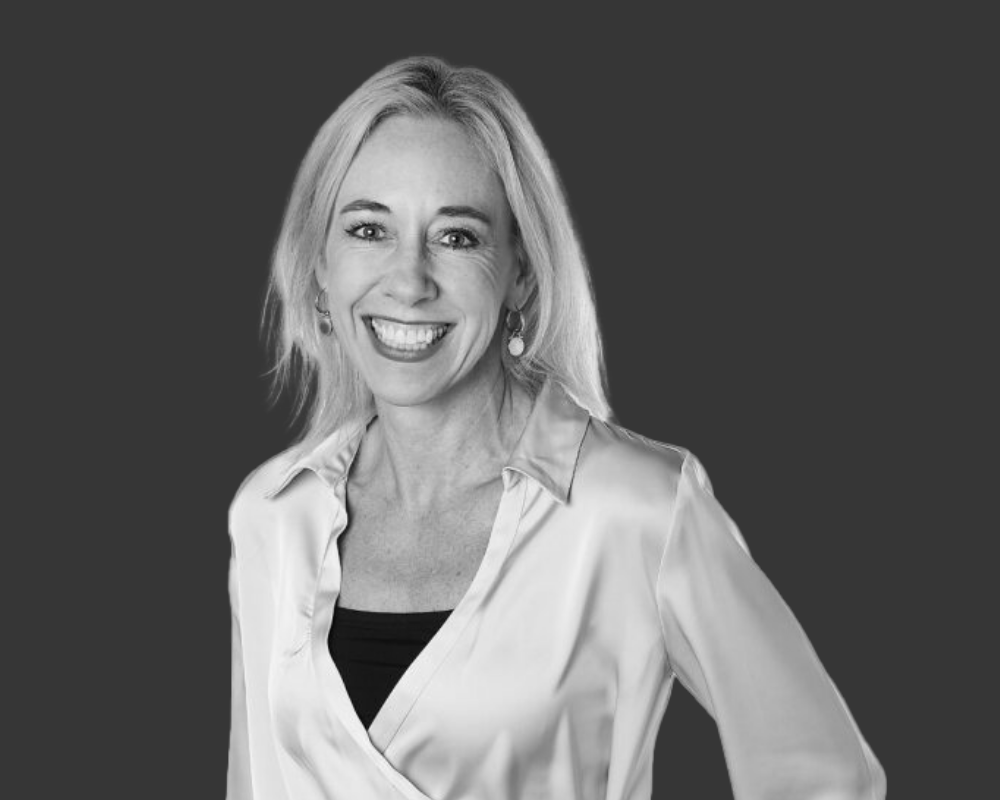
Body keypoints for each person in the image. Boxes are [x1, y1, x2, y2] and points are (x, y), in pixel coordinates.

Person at [226, 55, 886, 800]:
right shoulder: (272, 516)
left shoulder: (636, 508)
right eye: (369, 229)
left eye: (457, 237)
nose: (408, 281)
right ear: (319, 265)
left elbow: (824, 775)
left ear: (522, 272)